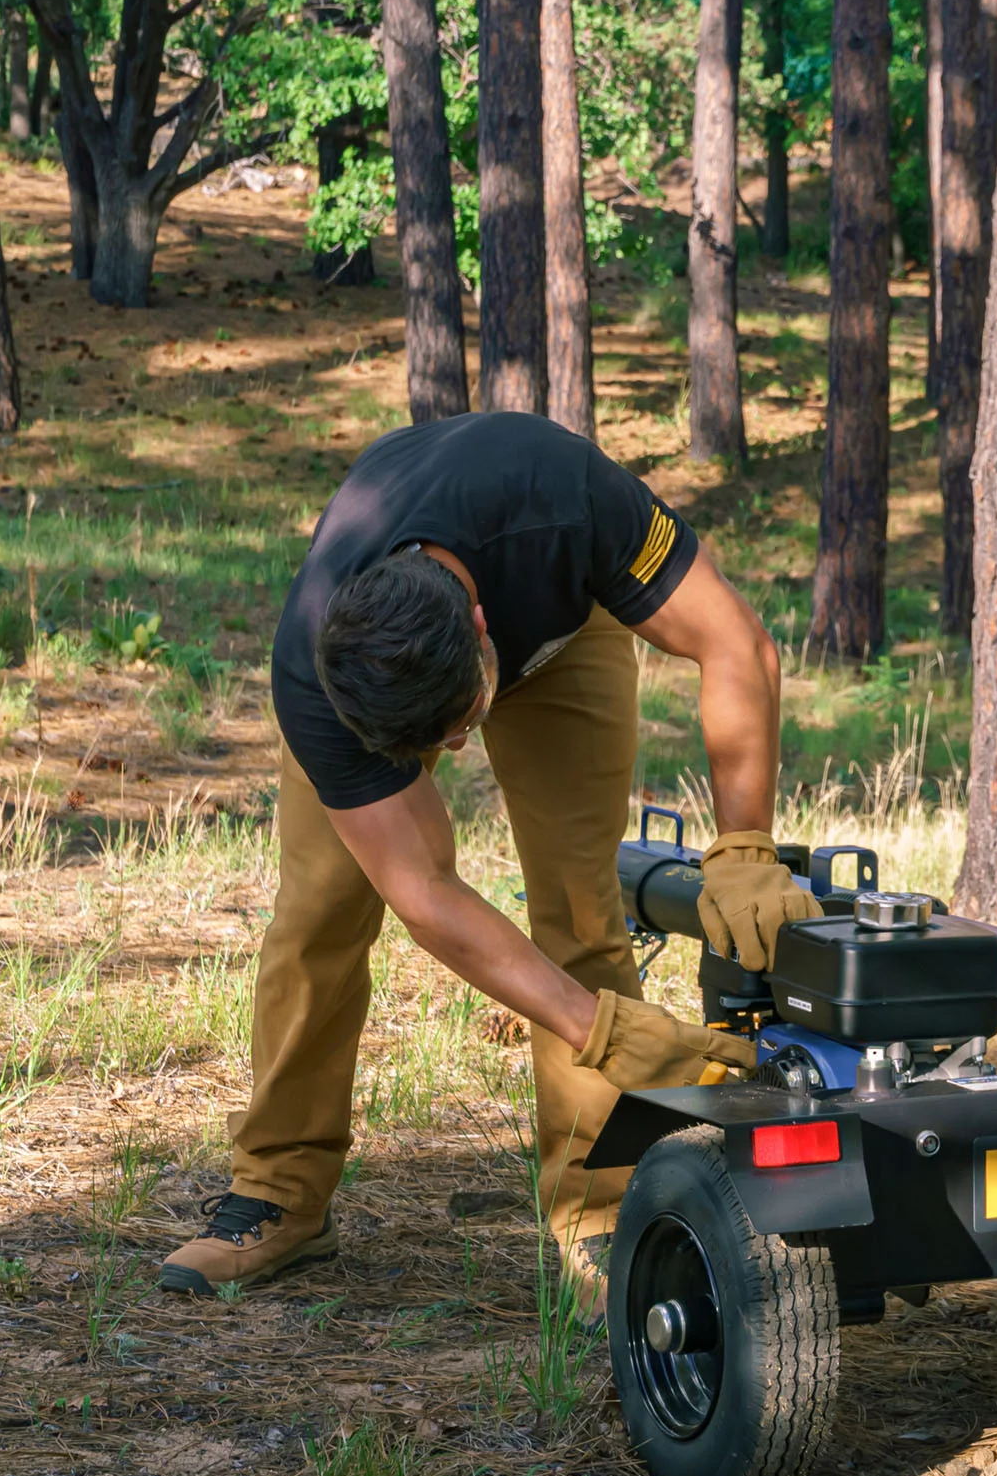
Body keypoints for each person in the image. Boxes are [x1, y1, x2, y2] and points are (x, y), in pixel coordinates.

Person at [158, 411, 819, 1306]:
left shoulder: (567, 499)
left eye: (463, 723)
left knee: (578, 909)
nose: (459, 753)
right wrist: (604, 1030)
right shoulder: (318, 667)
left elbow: (734, 640)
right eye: (438, 744)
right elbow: (424, 893)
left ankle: (597, 1209)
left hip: (560, 622)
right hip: (399, 666)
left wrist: (744, 845)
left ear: (476, 623)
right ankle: (280, 1192)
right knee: (318, 914)